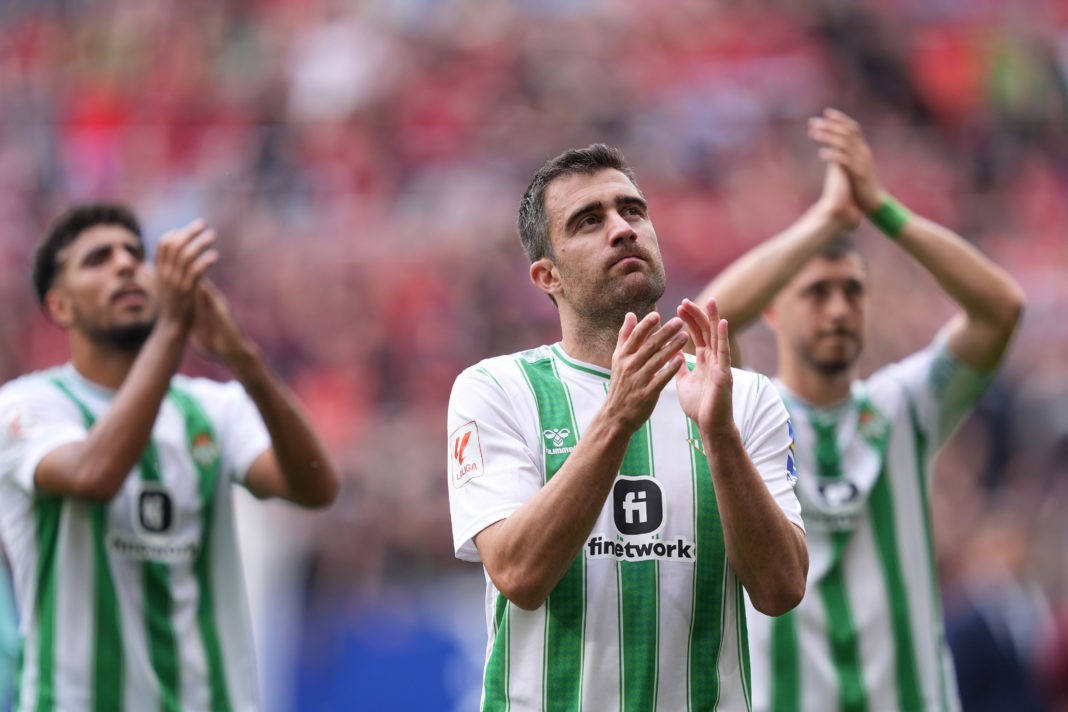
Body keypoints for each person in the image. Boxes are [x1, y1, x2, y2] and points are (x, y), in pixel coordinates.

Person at [446, 144, 808, 710]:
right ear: (547, 275)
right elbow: (518, 572)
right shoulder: (496, 389)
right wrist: (617, 417)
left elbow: (781, 589)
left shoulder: (742, 397)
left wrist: (720, 438)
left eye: (633, 211)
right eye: (590, 222)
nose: (622, 229)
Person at [696, 108, 1025, 711]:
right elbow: (707, 320)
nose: (839, 309)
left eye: (852, 290)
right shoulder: (749, 413)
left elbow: (1000, 309)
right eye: (817, 292)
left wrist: (883, 209)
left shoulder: (906, 406)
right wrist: (825, 221)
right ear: (773, 309)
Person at [0, 203, 340, 712]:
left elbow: (315, 488)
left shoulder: (211, 407)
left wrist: (241, 356)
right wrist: (172, 332)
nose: (125, 265)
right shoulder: (27, 406)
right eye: (98, 259)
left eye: (135, 254)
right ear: (60, 306)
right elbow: (94, 474)